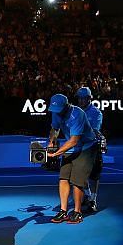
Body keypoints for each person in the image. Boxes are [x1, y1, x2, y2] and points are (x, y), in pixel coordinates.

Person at [47, 94, 99, 224]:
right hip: (69, 148)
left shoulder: (78, 114)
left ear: (66, 106)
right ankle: (63, 211)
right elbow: (54, 128)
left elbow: (74, 140)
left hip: (86, 148)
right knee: (63, 178)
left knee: (77, 181)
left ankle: (77, 212)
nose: (57, 112)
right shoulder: (56, 111)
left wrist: (57, 153)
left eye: (59, 109)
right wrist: (52, 141)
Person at [76, 87, 103, 212]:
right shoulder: (74, 112)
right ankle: (87, 195)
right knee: (81, 175)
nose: (81, 101)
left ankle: (93, 200)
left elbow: (94, 131)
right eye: (79, 98)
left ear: (89, 99)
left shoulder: (96, 113)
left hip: (92, 148)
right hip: (79, 147)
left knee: (94, 176)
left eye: (83, 98)